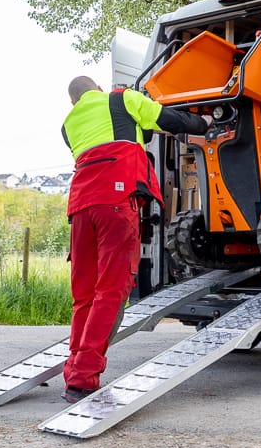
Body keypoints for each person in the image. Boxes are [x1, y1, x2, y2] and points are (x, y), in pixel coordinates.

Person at [59, 75, 209, 403]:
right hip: (115, 202)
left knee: (84, 296)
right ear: (99, 89)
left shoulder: (68, 124)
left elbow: (116, 137)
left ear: (73, 102)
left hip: (80, 209)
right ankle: (83, 379)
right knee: (111, 292)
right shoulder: (122, 99)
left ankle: (74, 370)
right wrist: (205, 122)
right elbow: (167, 119)